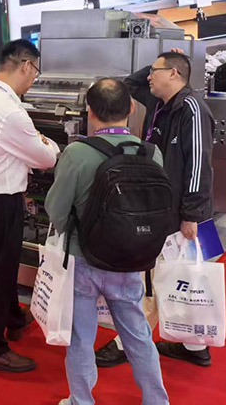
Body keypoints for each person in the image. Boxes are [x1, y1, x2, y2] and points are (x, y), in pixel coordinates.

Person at [46, 79, 169, 405]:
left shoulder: (77, 153)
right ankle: (157, 400)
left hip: (84, 258)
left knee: (81, 338)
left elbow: (56, 210)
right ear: (131, 108)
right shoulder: (152, 153)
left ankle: (81, 400)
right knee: (138, 335)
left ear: (89, 111)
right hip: (131, 258)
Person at [96, 51, 215, 368]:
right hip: (160, 205)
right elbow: (128, 84)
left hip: (181, 212)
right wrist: (156, 65)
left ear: (174, 74)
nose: (149, 76)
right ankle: (194, 346)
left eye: (155, 70)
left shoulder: (191, 109)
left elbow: (199, 164)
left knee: (158, 277)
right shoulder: (160, 103)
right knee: (177, 276)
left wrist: (191, 214)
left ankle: (127, 343)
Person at [0, 39, 59, 373]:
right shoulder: (10, 111)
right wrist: (48, 144)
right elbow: (45, 158)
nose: (34, 78)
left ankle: (14, 318)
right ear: (26, 65)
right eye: (36, 71)